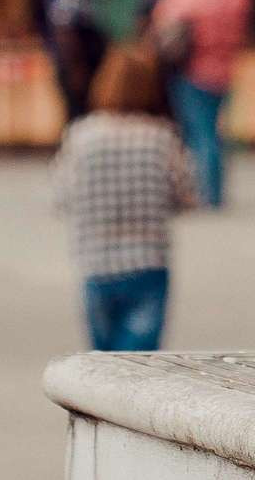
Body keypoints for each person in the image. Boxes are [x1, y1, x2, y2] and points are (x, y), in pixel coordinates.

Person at [52, 49, 196, 351]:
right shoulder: (161, 137)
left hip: (95, 260)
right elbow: (185, 194)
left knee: (104, 366)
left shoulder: (81, 136)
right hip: (148, 260)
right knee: (141, 363)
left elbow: (61, 195)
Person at [150, 0, 252, 209]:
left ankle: (203, 192)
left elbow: (161, 17)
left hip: (192, 72)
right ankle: (215, 191)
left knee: (198, 134)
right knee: (214, 132)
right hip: (225, 73)